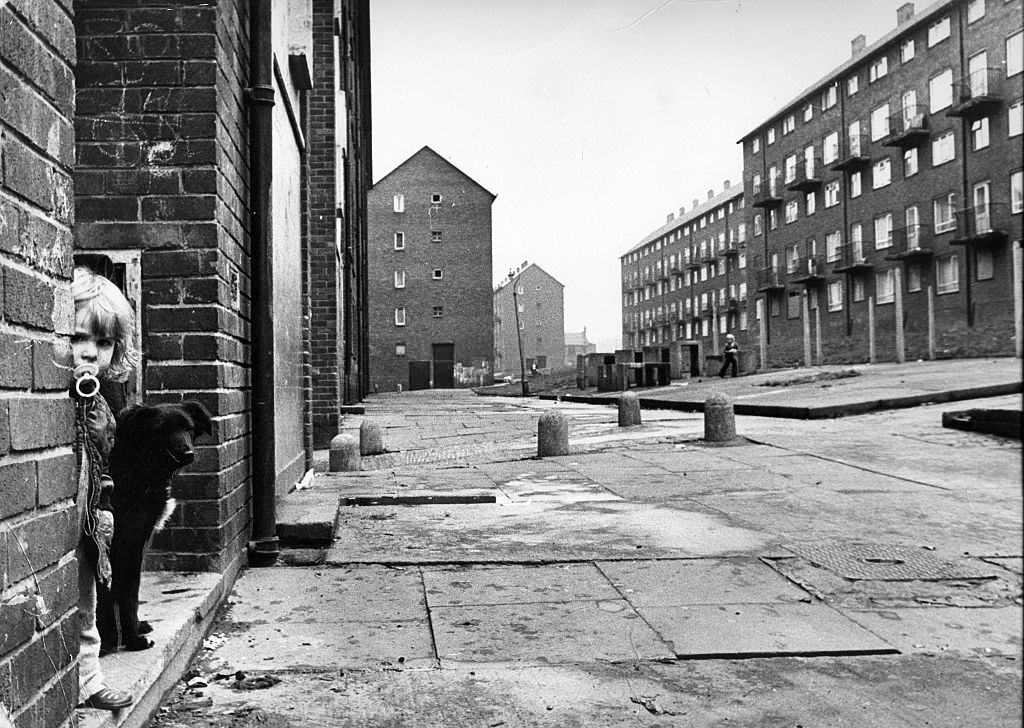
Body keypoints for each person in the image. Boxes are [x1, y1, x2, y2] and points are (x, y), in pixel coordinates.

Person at [71, 266, 137, 712]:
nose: (91, 351)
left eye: (104, 342)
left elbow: (103, 463)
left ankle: (89, 680)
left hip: (87, 514)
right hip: (56, 514)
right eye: (78, 337)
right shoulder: (51, 396)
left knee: (87, 599)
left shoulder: (101, 406)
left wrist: (106, 507)